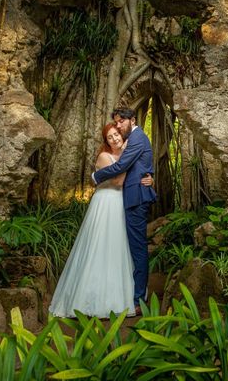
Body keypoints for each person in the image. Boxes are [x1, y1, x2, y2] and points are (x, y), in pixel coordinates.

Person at [49, 123, 152, 319]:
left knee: (119, 249)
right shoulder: (105, 157)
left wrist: (149, 179)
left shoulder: (127, 156)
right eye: (110, 137)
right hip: (105, 203)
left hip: (121, 205)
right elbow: (118, 181)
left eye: (116, 135)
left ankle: (123, 297)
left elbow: (141, 173)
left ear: (122, 135)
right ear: (106, 141)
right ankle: (90, 300)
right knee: (100, 247)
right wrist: (128, 159)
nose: (114, 139)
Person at [92, 107, 156, 315]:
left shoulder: (137, 138)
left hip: (136, 199)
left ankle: (139, 300)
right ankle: (135, 295)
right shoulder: (134, 139)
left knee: (138, 250)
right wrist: (149, 176)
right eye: (116, 123)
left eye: (121, 122)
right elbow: (141, 167)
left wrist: (97, 176)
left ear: (132, 120)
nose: (118, 126)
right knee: (134, 249)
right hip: (131, 197)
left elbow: (122, 167)